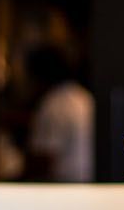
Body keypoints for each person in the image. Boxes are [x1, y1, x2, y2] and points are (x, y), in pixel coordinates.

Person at [25, 45, 93, 182]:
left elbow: (46, 157)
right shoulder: (84, 96)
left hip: (65, 184)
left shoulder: (54, 103)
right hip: (90, 180)